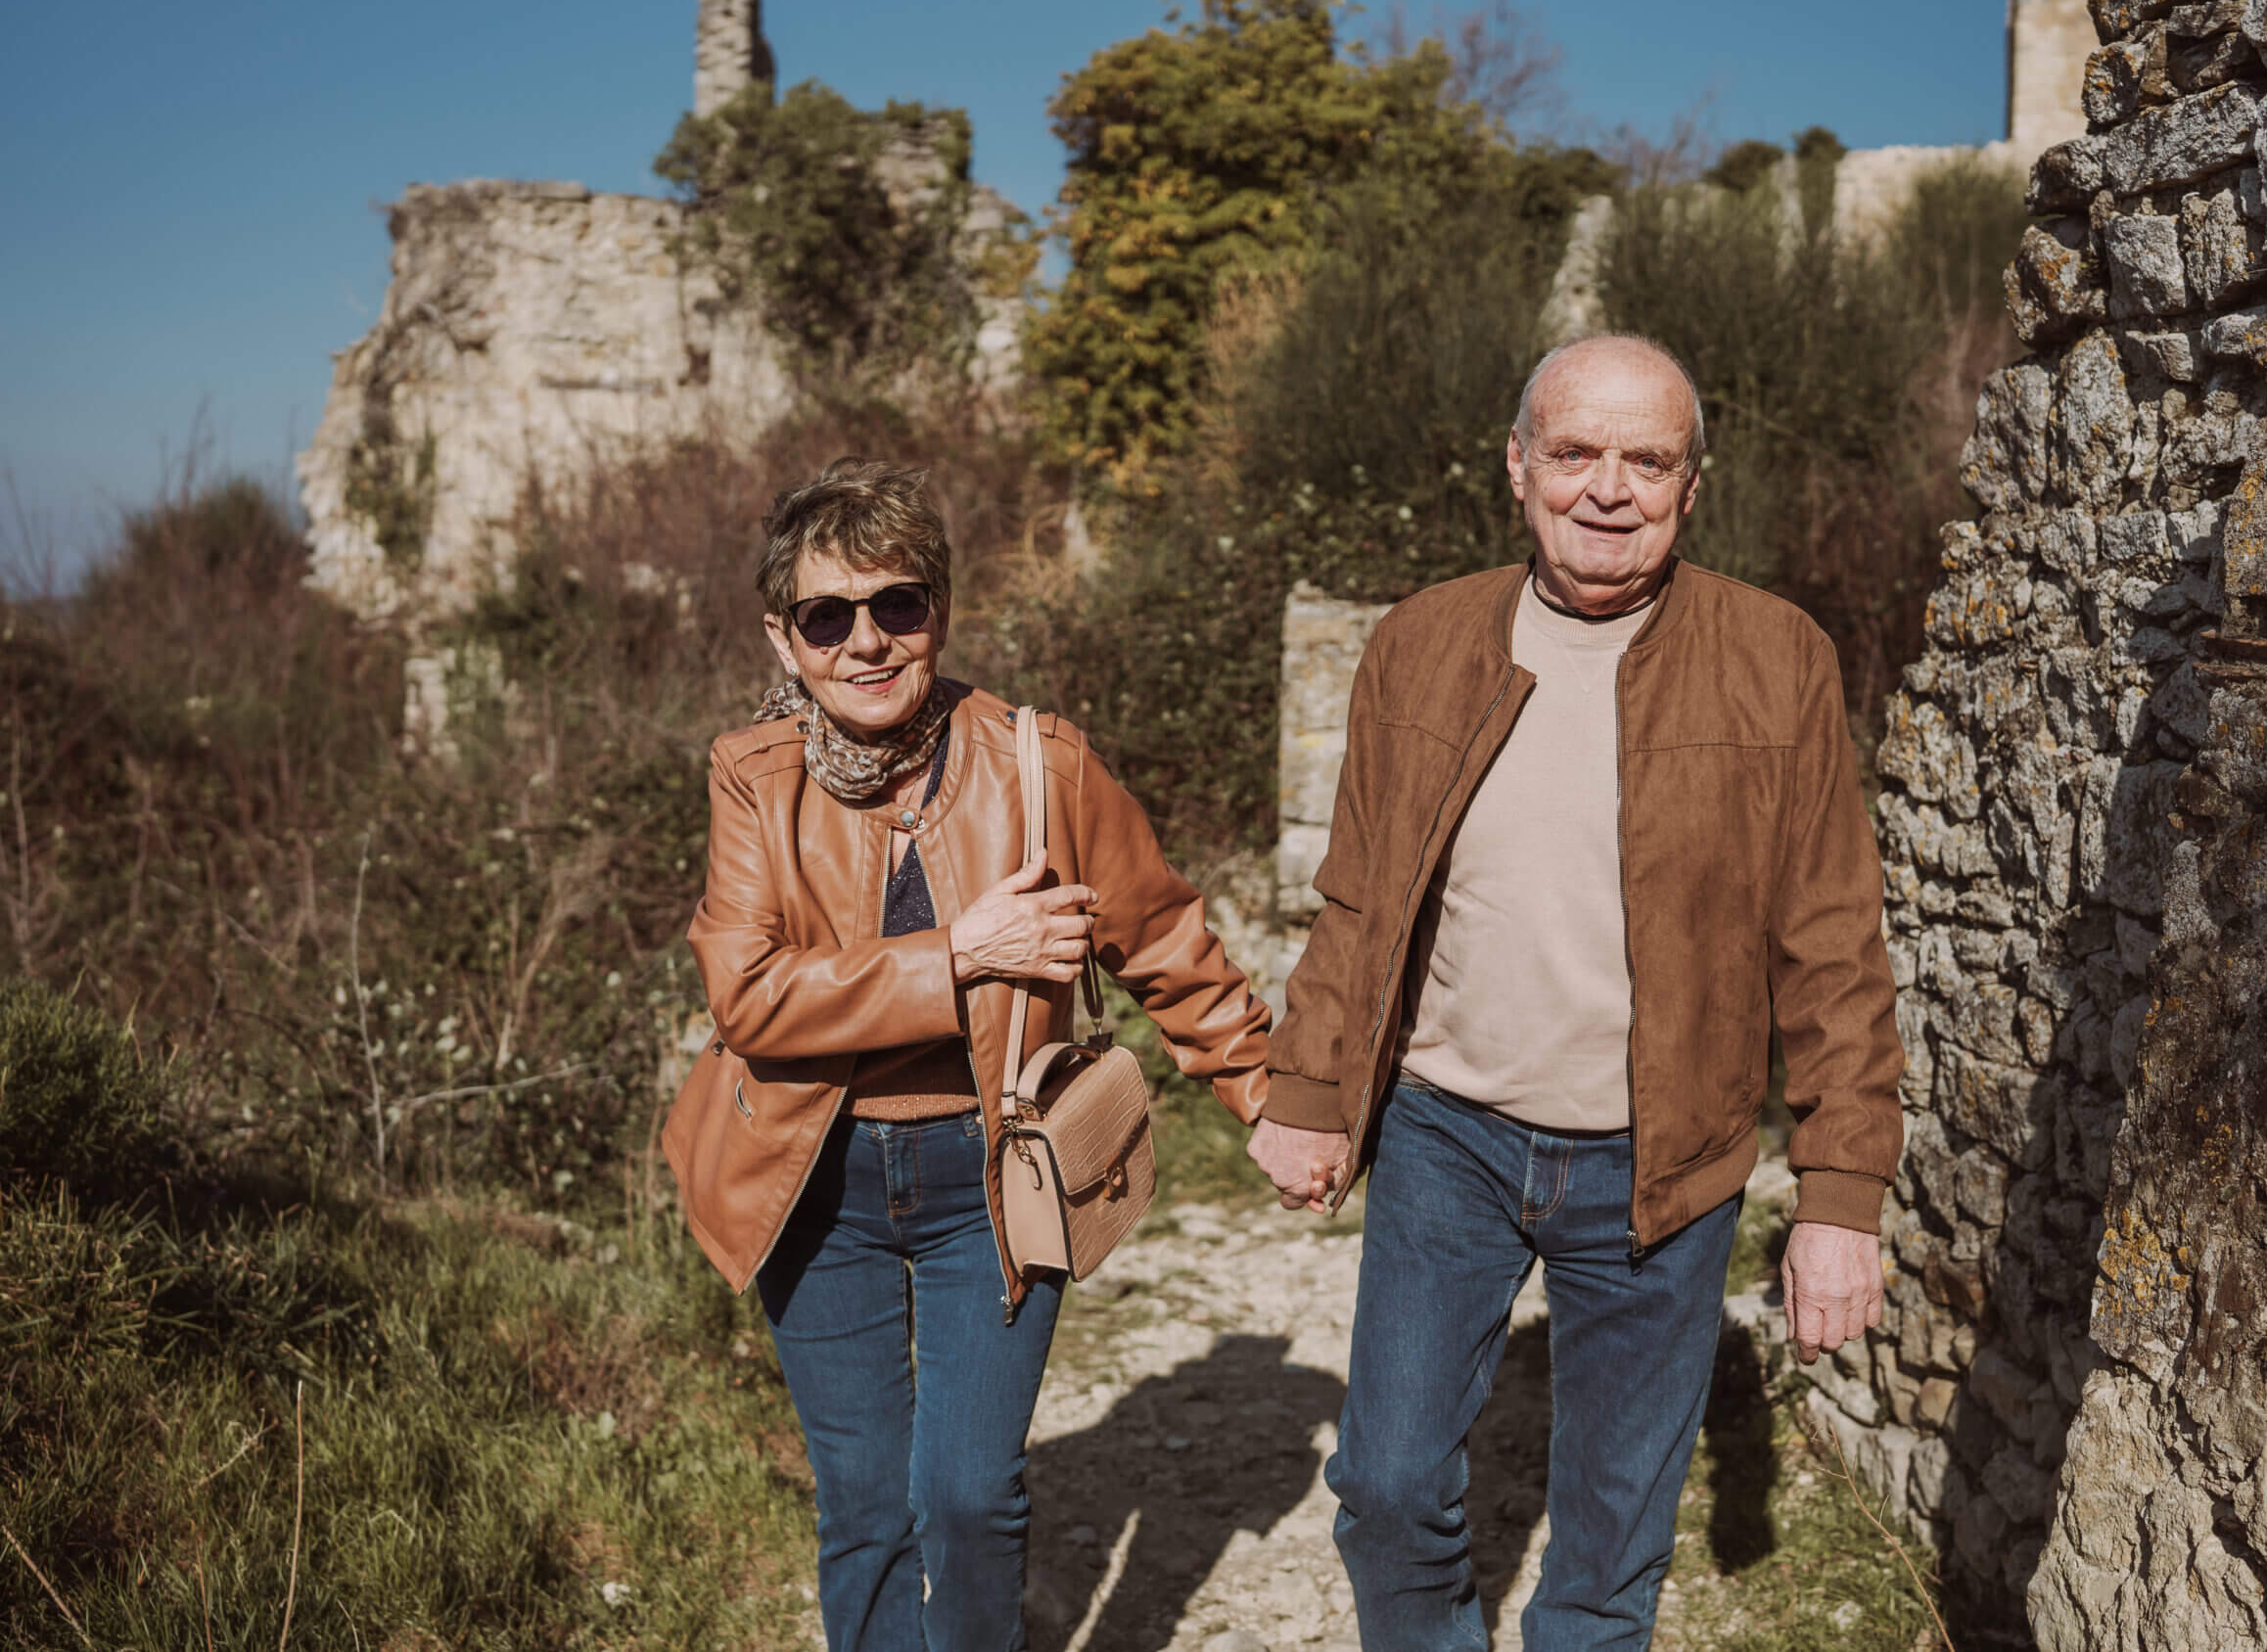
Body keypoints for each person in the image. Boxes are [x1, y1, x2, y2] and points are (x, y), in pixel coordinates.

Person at [1246, 334, 1905, 1650]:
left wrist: (1841, 1196)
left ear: (1691, 485)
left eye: (1647, 460)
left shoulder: (1777, 658)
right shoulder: (1423, 641)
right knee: (1383, 1486)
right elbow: (1361, 893)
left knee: (1606, 1548)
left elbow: (1835, 941)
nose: (1609, 488)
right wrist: (1311, 1086)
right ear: (1518, 465)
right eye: (1577, 452)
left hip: (1666, 1157)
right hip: (1450, 1135)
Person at [662, 456, 1272, 1652]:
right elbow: (749, 997)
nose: (868, 642)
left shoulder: (1038, 764)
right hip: (810, 1181)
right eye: (829, 617)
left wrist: (1268, 1096)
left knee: (966, 1496)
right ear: (785, 640)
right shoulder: (753, 778)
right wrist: (961, 954)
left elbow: (1161, 934)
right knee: (866, 1512)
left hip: (987, 1177)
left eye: (898, 606)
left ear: (938, 611)